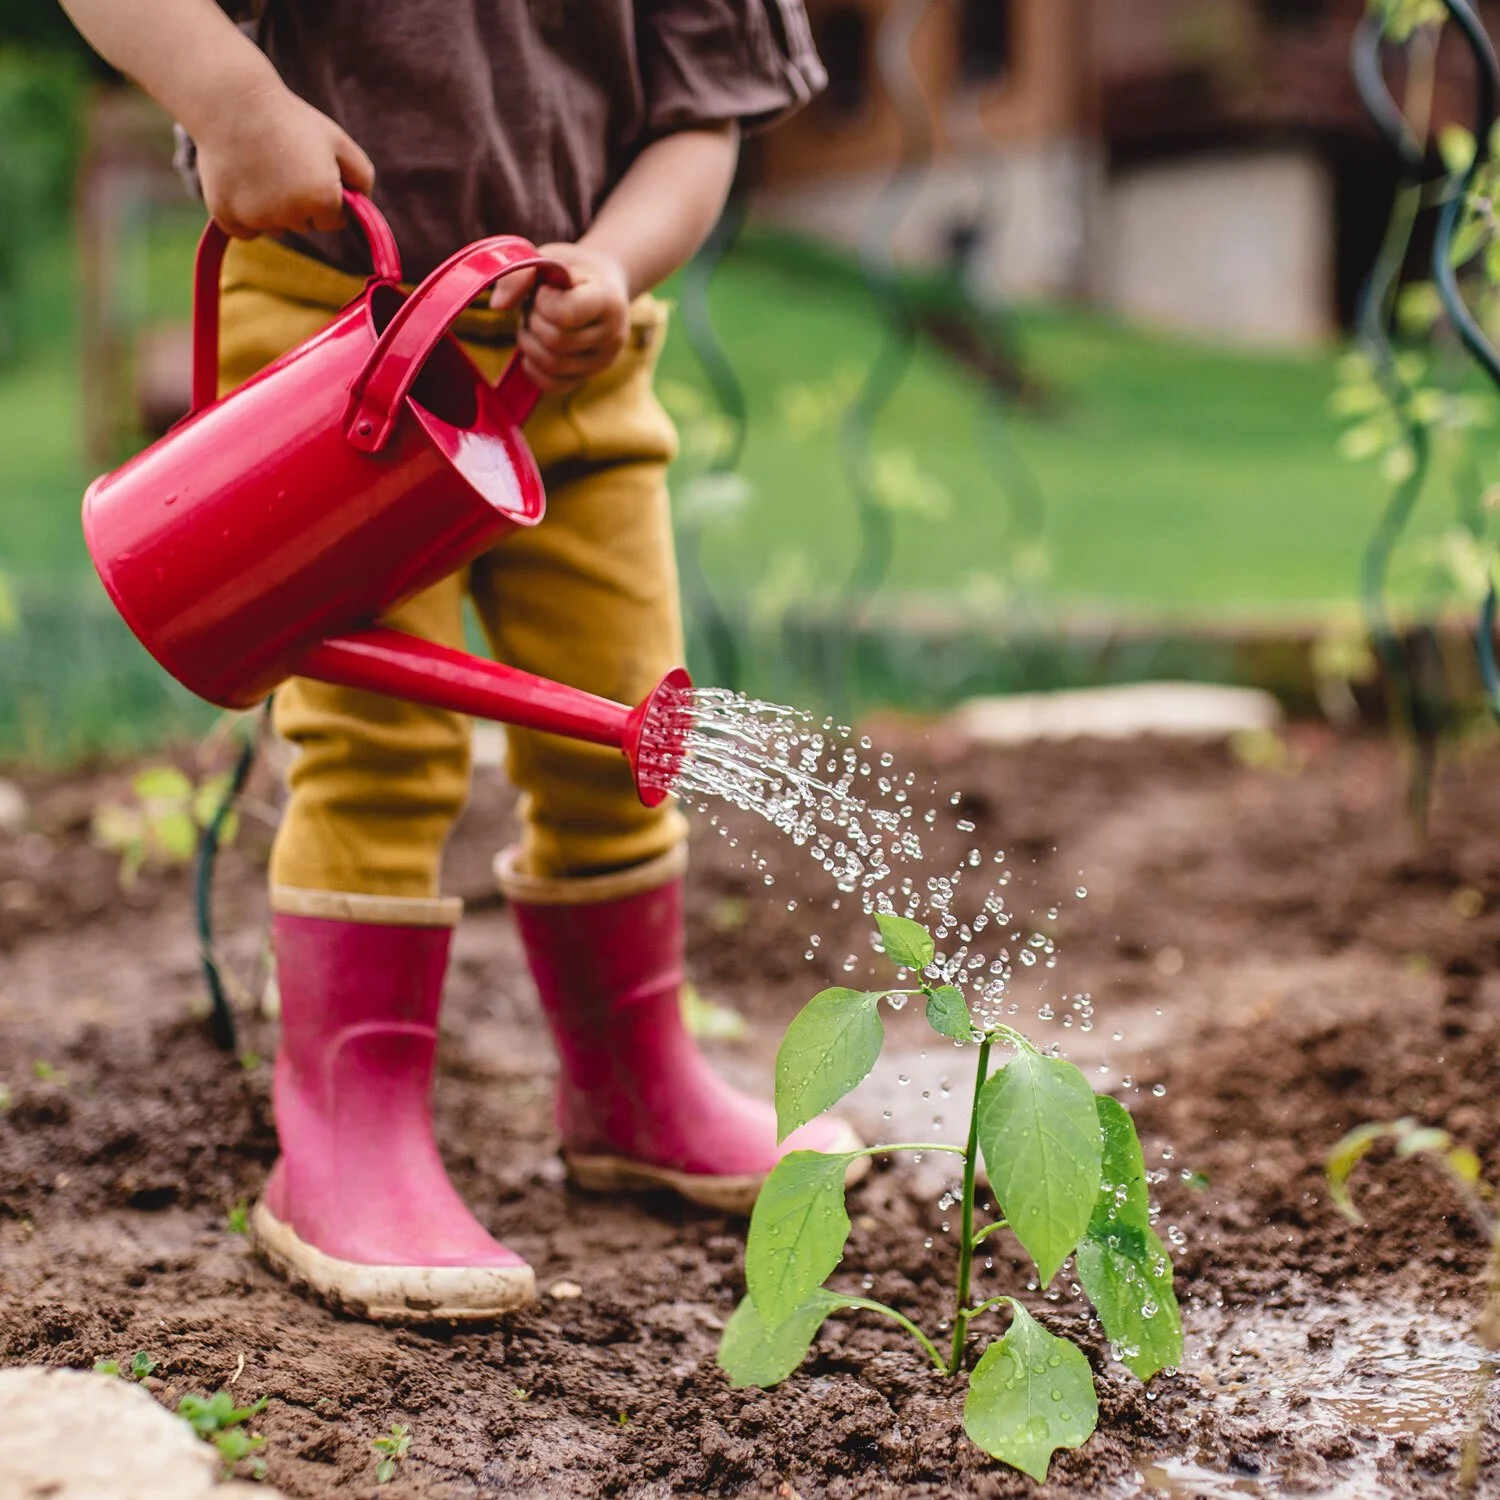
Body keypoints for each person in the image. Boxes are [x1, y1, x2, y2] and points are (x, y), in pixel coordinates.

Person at [60, 0, 865, 1323]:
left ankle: (633, 1079)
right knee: (383, 749)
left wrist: (611, 262)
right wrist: (233, 100)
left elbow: (699, 119)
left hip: (576, 361)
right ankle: (347, 1133)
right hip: (337, 338)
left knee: (625, 725)